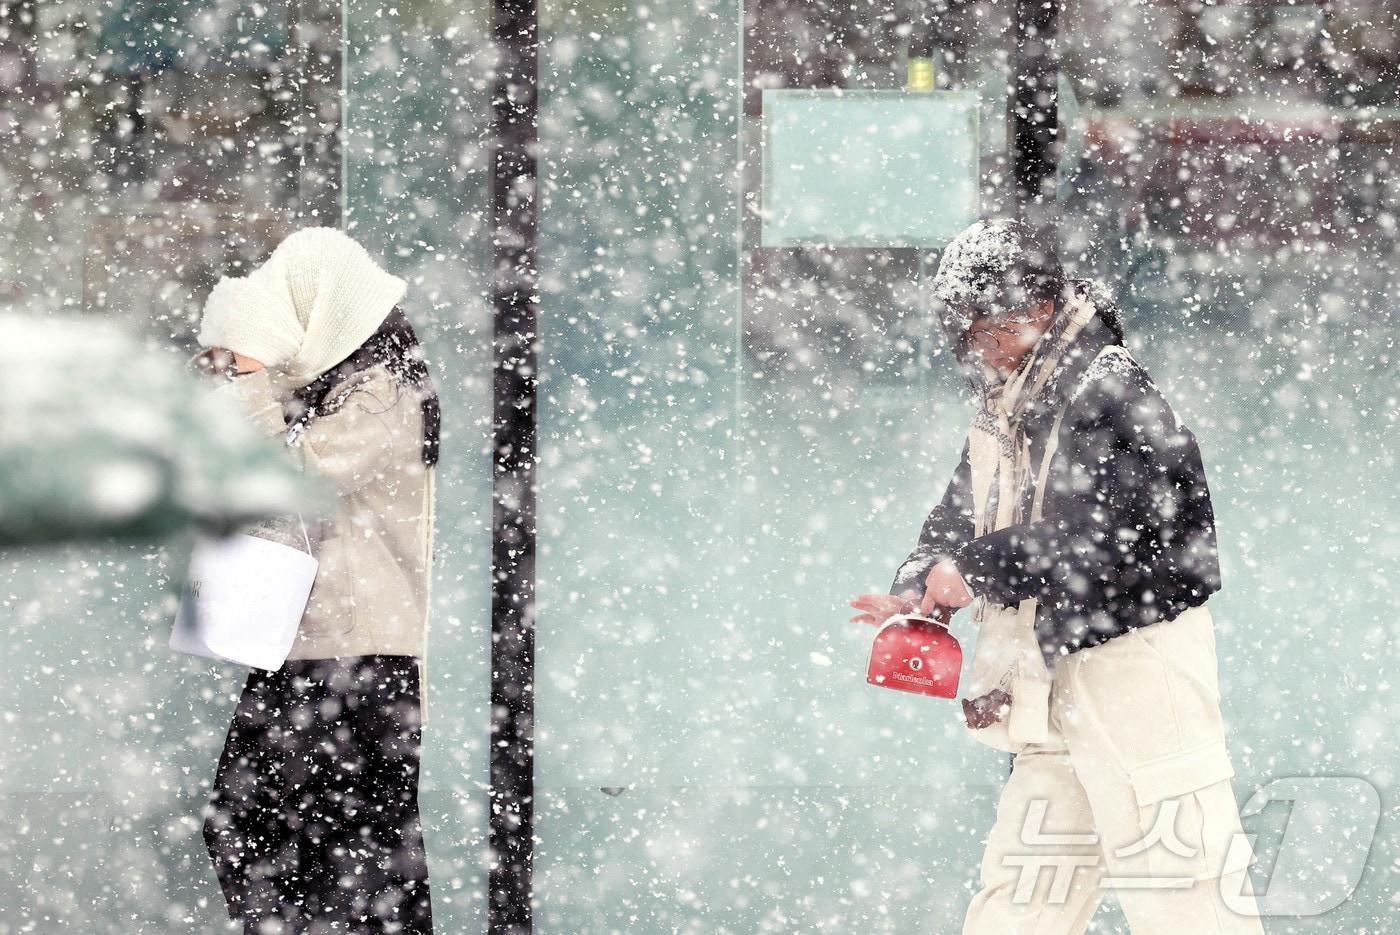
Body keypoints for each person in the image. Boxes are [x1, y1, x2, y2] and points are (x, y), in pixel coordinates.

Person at [849, 219, 1263, 934]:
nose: (976, 350)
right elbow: (958, 512)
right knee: (1022, 897)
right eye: (966, 332)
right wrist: (921, 583)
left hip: (1135, 664)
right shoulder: (1007, 405)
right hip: (1045, 672)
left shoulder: (1111, 388)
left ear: (1036, 312)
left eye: (987, 332)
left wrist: (974, 570)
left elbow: (1121, 535)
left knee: (1184, 889)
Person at [193, 227, 440, 934]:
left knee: (353, 857)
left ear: (330, 310)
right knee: (283, 837)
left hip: (359, 657)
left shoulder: (379, 395)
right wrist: (233, 376)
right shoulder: (322, 392)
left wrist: (244, 379)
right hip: (306, 647)